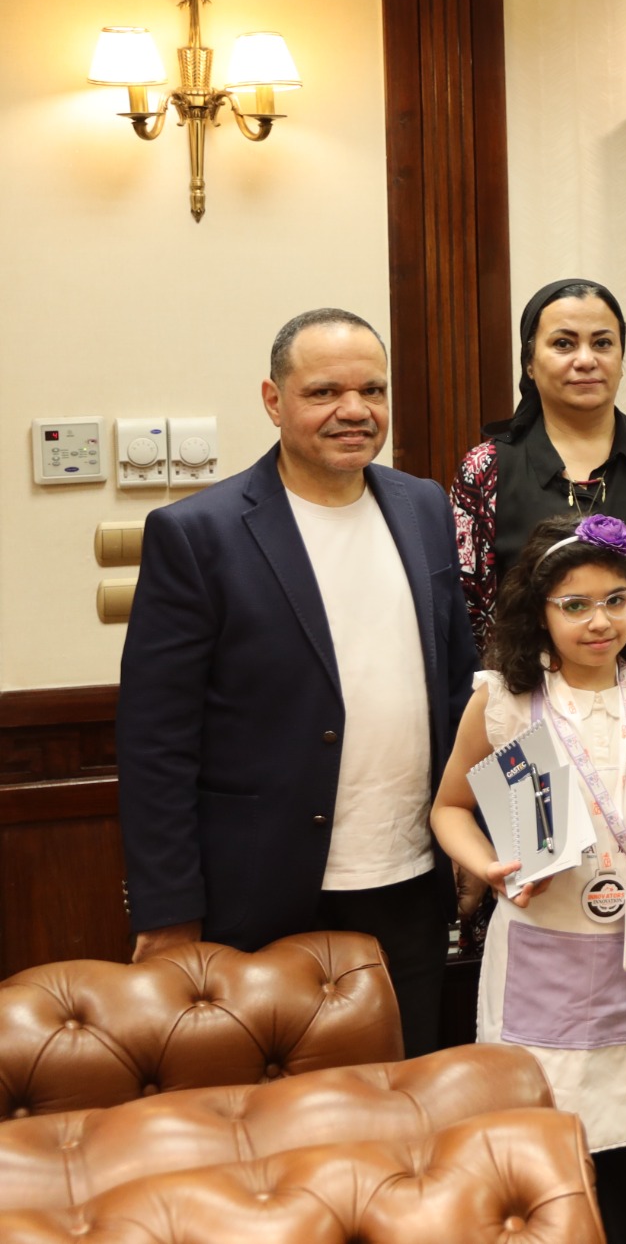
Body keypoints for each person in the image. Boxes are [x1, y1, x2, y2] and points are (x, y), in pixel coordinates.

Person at [118, 308, 475, 1060]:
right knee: (268, 1110)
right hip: (262, 894)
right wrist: (168, 909)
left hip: (410, 882)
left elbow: (455, 693)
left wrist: (473, 839)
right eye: (324, 393)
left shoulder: (423, 507)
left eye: (372, 390)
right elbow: (156, 742)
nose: (354, 410)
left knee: (402, 1096)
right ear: (273, 401)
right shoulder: (199, 534)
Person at [429, 513, 626, 1244]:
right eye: (575, 605)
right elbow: (449, 808)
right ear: (539, 611)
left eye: (616, 600)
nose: (599, 621)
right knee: (541, 1153)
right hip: (540, 959)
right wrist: (487, 865)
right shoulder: (506, 701)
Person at [453, 279, 626, 669]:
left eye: (602, 343)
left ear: (621, 356)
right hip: (530, 698)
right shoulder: (485, 470)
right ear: (529, 363)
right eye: (564, 343)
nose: (585, 359)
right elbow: (469, 612)